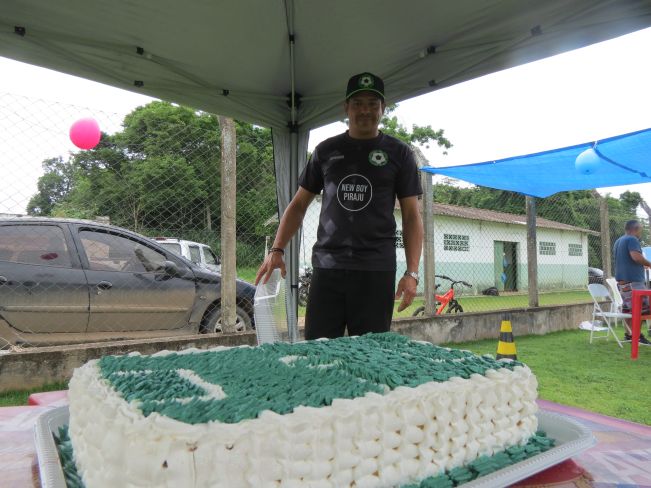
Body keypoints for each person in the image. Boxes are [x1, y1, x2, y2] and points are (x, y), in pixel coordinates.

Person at [255, 72, 424, 340]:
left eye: (372, 103)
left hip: (376, 269)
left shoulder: (399, 153)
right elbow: (298, 205)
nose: (365, 110)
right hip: (328, 267)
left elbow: (412, 216)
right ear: (346, 108)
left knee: (370, 353)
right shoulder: (326, 151)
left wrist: (412, 272)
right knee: (318, 351)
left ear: (383, 108)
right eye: (357, 103)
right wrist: (277, 249)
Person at [613, 219, 651, 345]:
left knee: (630, 310)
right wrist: (649, 264)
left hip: (623, 283)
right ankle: (637, 336)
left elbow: (626, 260)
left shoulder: (619, 241)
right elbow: (636, 257)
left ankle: (630, 335)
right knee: (642, 310)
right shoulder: (632, 239)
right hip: (634, 282)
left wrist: (641, 265)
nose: (641, 233)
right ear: (635, 229)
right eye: (640, 230)